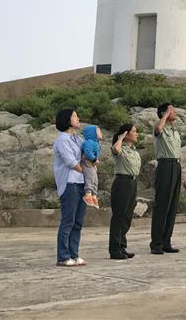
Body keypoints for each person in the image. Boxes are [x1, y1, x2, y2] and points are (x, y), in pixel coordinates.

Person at [53, 108, 87, 267]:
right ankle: (63, 256)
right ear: (67, 120)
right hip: (69, 183)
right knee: (68, 221)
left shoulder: (77, 139)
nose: (78, 118)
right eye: (74, 116)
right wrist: (88, 171)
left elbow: (87, 154)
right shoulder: (62, 140)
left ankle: (74, 253)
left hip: (81, 183)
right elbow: (71, 162)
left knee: (78, 222)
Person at [150, 102, 181, 255]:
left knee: (172, 205)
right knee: (162, 205)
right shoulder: (161, 128)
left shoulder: (175, 131)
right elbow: (158, 129)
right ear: (164, 113)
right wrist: (166, 115)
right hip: (165, 165)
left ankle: (166, 241)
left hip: (176, 165)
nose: (174, 112)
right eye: (171, 110)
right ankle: (156, 243)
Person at [108, 123, 141, 260]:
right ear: (126, 134)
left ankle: (122, 246)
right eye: (134, 131)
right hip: (122, 182)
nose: (137, 133)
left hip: (132, 182)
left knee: (127, 216)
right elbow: (116, 149)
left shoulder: (133, 150)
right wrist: (120, 138)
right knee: (119, 216)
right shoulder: (120, 148)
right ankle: (115, 249)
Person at [81, 125, 103, 208]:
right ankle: (88, 195)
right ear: (92, 133)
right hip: (88, 162)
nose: (100, 133)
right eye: (98, 131)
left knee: (95, 180)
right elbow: (87, 152)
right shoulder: (89, 142)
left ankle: (94, 195)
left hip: (92, 163)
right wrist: (94, 159)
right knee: (90, 177)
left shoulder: (96, 143)